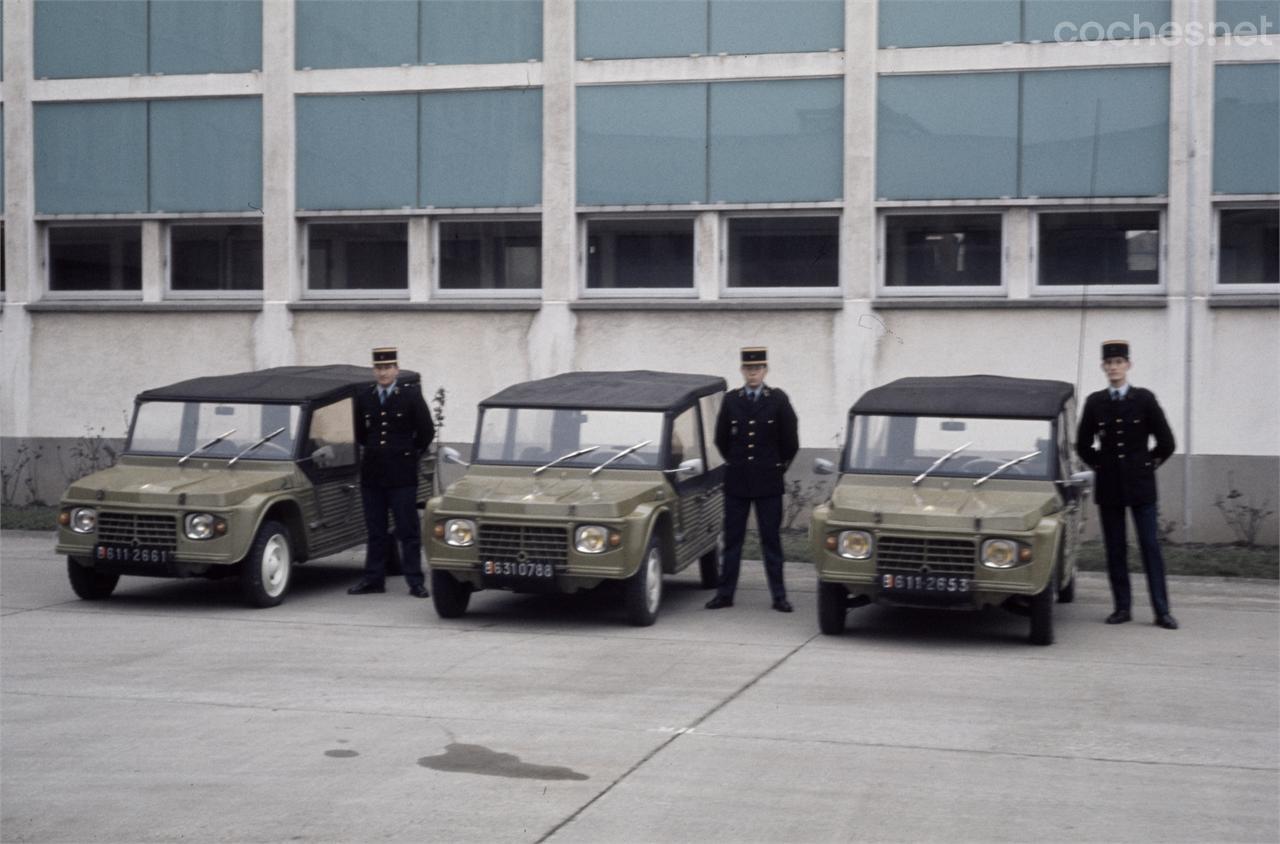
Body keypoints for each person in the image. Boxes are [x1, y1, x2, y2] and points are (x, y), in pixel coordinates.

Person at [1076, 340, 1178, 629]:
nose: (1114, 368)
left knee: (1149, 547)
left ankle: (1162, 610)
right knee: (1115, 548)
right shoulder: (1096, 402)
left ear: (1128, 365)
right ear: (1103, 367)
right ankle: (1122, 608)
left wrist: (1148, 464)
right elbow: (1082, 444)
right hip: (1110, 487)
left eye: (1119, 362)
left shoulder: (1144, 399)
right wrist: (1099, 464)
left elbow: (1167, 442)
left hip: (1141, 486)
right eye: (1109, 363)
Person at [706, 346, 800, 613]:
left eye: (757, 369)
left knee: (771, 541)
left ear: (765, 370)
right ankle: (725, 594)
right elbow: (721, 439)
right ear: (742, 371)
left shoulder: (778, 400)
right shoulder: (732, 400)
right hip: (737, 482)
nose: (752, 374)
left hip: (768, 481)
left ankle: (779, 596)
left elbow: (791, 442)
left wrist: (775, 467)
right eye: (748, 369)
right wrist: (736, 463)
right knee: (732, 541)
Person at [348, 346, 435, 598]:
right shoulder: (364, 397)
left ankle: (415, 581)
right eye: (379, 368)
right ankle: (374, 578)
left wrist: (409, 453)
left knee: (407, 530)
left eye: (387, 368)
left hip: (402, 474)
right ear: (374, 371)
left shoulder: (410, 396)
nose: (383, 373)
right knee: (375, 530)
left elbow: (426, 431)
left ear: (396, 369)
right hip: (373, 474)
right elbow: (360, 433)